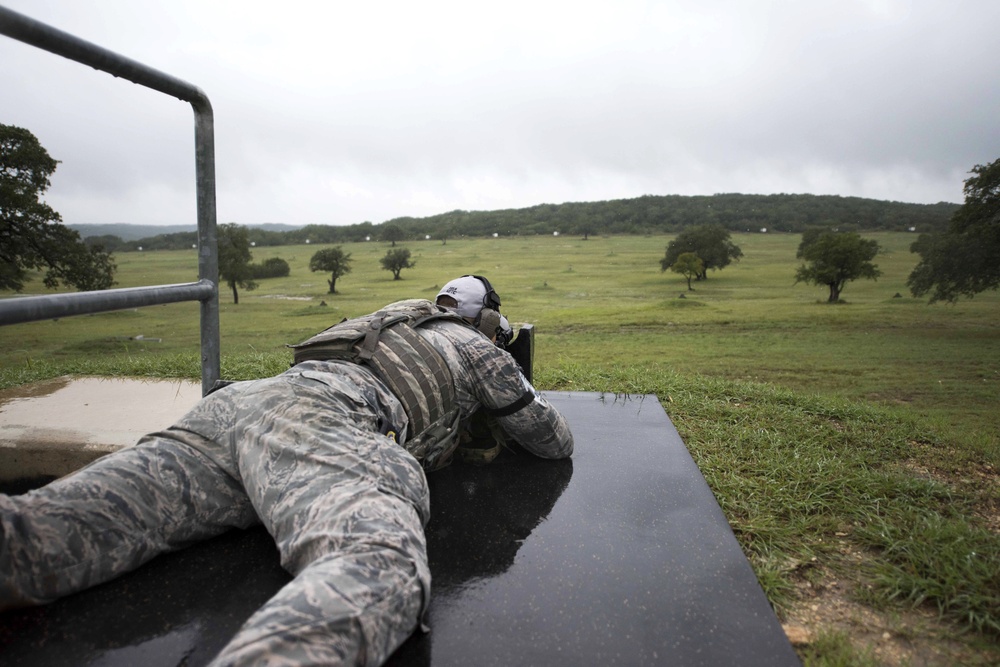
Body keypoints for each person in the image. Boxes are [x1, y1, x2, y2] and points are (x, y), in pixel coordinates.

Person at [0, 276, 573, 666]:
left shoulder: (385, 323)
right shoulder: (475, 347)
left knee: (47, 527)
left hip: (235, 411)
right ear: (487, 320)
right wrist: (508, 375)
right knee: (376, 567)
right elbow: (552, 441)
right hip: (324, 426)